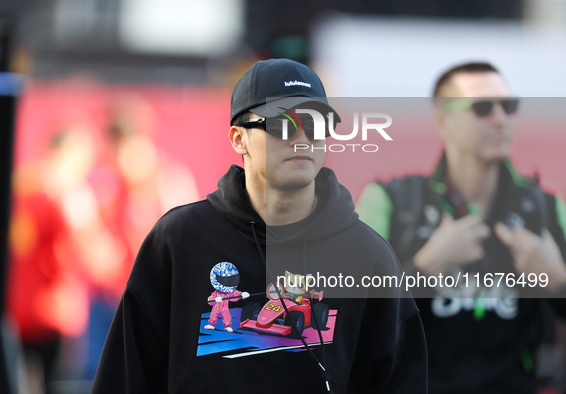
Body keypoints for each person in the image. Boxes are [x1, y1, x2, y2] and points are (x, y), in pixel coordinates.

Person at [92, 58, 427, 393]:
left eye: (315, 123)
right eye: (283, 123)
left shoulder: (367, 255)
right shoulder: (179, 240)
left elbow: (400, 381)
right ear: (239, 139)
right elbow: (125, 378)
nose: (302, 137)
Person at [356, 62, 566, 393]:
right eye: (482, 108)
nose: (500, 119)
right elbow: (350, 317)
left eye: (508, 106)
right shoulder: (390, 202)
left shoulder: (546, 208)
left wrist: (558, 282)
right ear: (443, 121)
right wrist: (423, 270)